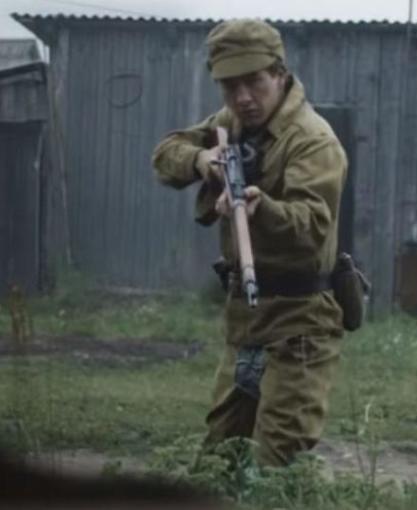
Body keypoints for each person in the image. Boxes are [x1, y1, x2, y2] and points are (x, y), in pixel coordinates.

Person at [152, 18, 347, 467]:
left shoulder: (313, 140)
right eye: (229, 85)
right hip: (246, 317)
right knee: (218, 460)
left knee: (274, 464)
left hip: (300, 320)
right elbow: (165, 154)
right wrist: (202, 160)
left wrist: (264, 209)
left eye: (254, 81)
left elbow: (313, 226)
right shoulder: (231, 124)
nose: (242, 97)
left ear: (279, 73)